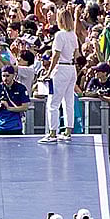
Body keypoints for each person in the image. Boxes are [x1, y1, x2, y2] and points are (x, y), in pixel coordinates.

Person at [39, 9, 79, 144]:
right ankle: (68, 130)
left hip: (61, 68)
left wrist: (48, 72)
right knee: (69, 101)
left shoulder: (59, 35)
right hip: (71, 68)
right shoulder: (73, 35)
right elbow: (77, 54)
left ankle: (52, 133)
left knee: (53, 103)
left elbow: (56, 55)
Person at [0, 65, 30, 135]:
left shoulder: (21, 88)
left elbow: (25, 107)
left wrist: (9, 108)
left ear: (13, 75)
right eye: (3, 76)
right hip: (0, 127)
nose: (5, 78)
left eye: (7, 76)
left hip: (15, 127)